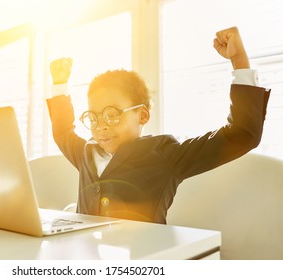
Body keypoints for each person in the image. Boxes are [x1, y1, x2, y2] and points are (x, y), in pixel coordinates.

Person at [46, 27, 270, 224]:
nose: (100, 127)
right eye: (93, 117)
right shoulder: (85, 154)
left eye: (112, 115)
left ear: (142, 115)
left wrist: (239, 60)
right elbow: (62, 131)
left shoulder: (165, 156)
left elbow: (242, 134)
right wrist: (59, 84)